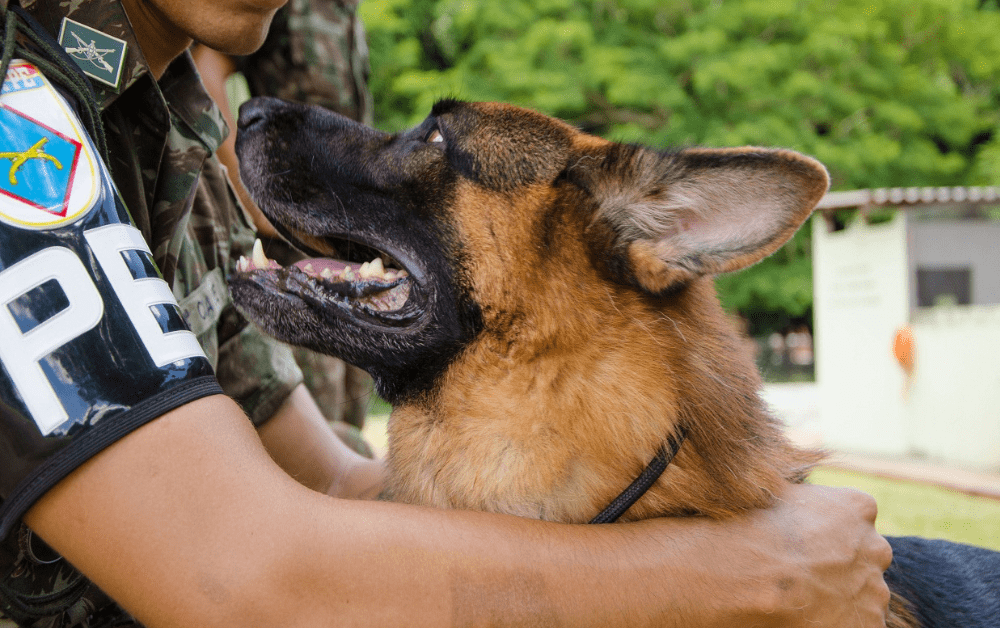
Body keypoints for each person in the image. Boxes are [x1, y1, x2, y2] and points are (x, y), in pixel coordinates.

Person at [0, 1, 893, 627]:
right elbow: (243, 577)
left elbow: (345, 484)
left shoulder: (164, 141)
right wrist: (741, 576)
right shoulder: (18, 108)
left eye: (431, 148)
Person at [191, 0, 374, 442]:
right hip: (291, 243)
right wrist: (254, 200)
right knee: (315, 414)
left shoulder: (345, 11)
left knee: (354, 405)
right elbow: (205, 72)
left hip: (348, 236)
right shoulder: (283, 6)